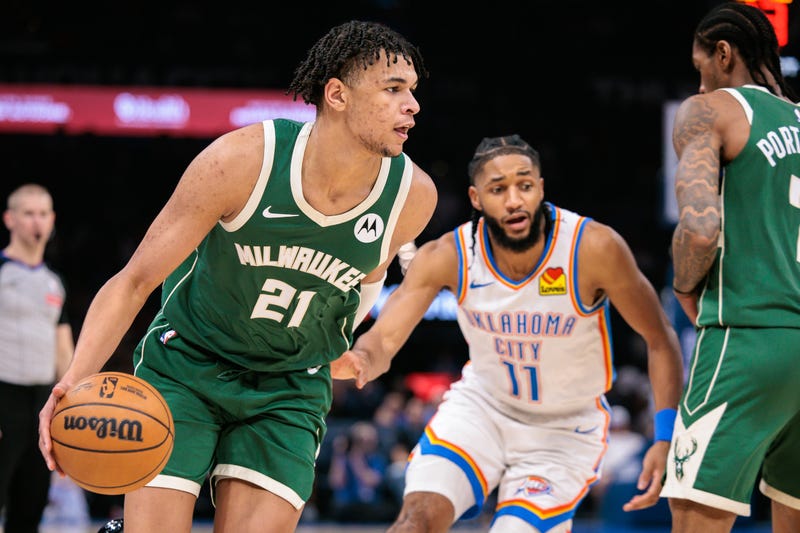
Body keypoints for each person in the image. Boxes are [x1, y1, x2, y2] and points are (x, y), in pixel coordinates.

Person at [37, 20, 436, 533]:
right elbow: (135, 281)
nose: (413, 105)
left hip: (288, 385)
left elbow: (367, 275)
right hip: (188, 363)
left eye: (413, 92)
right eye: (393, 89)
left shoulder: (413, 196)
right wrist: (72, 380)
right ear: (337, 94)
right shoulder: (242, 160)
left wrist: (342, 338)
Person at [333, 134, 684, 532]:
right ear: (476, 198)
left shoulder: (593, 248)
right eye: (498, 189)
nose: (514, 199)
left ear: (541, 188)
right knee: (416, 522)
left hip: (563, 428)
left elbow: (660, 338)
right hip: (482, 407)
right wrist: (360, 359)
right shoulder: (448, 255)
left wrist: (664, 435)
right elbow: (385, 338)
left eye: (525, 184)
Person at [663, 3, 800, 532]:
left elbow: (699, 226)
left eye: (700, 67)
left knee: (695, 513)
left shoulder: (711, 109)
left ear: (723, 54)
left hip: (748, 334)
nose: (699, 83)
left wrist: (684, 287)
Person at [0, 183, 75, 533]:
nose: (36, 221)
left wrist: (76, 404)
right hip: (4, 396)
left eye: (43, 213)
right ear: (9, 219)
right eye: (28, 213)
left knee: (30, 508)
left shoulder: (54, 282)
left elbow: (64, 349)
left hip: (41, 404)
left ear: (53, 219)